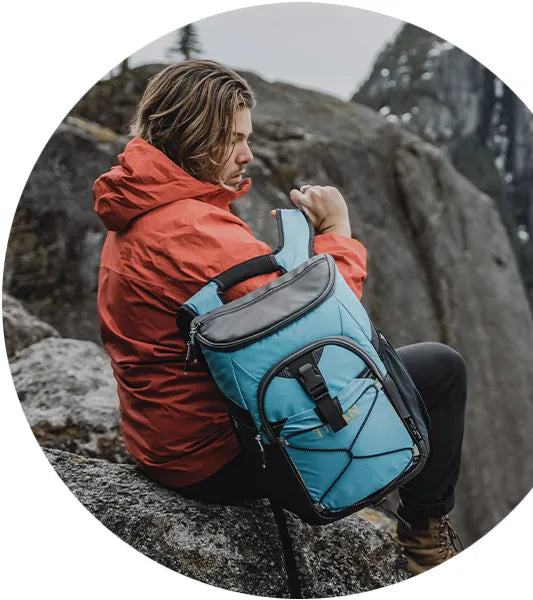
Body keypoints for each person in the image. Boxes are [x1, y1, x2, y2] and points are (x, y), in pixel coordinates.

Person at [93, 60, 467, 576]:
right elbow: (327, 332)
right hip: (218, 460)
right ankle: (426, 546)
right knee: (440, 370)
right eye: (233, 138)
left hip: (166, 442)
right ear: (193, 137)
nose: (247, 154)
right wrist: (338, 232)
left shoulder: (141, 210)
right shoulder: (189, 231)